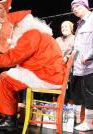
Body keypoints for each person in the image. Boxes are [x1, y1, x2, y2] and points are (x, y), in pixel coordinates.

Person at [0, 9, 67, 131]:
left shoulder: (31, 34)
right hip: (51, 74)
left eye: (14, 27)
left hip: (46, 76)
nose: (12, 31)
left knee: (6, 78)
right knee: (9, 75)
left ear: (20, 26)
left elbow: (14, 57)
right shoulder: (39, 33)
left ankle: (10, 120)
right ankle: (9, 117)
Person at [70, 0, 93, 131]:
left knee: (90, 93)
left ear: (86, 6)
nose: (74, 9)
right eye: (72, 7)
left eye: (77, 6)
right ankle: (80, 120)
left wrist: (89, 55)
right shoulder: (79, 24)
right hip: (79, 66)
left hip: (90, 64)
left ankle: (89, 123)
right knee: (80, 94)